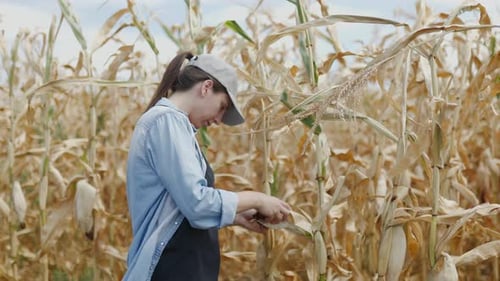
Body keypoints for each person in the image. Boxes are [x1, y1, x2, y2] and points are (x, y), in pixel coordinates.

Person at [123, 51, 291, 281]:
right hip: (169, 269)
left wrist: (236, 216)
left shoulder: (174, 125)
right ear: (206, 87)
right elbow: (197, 203)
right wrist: (257, 199)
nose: (218, 119)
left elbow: (178, 208)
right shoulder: (166, 122)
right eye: (222, 107)